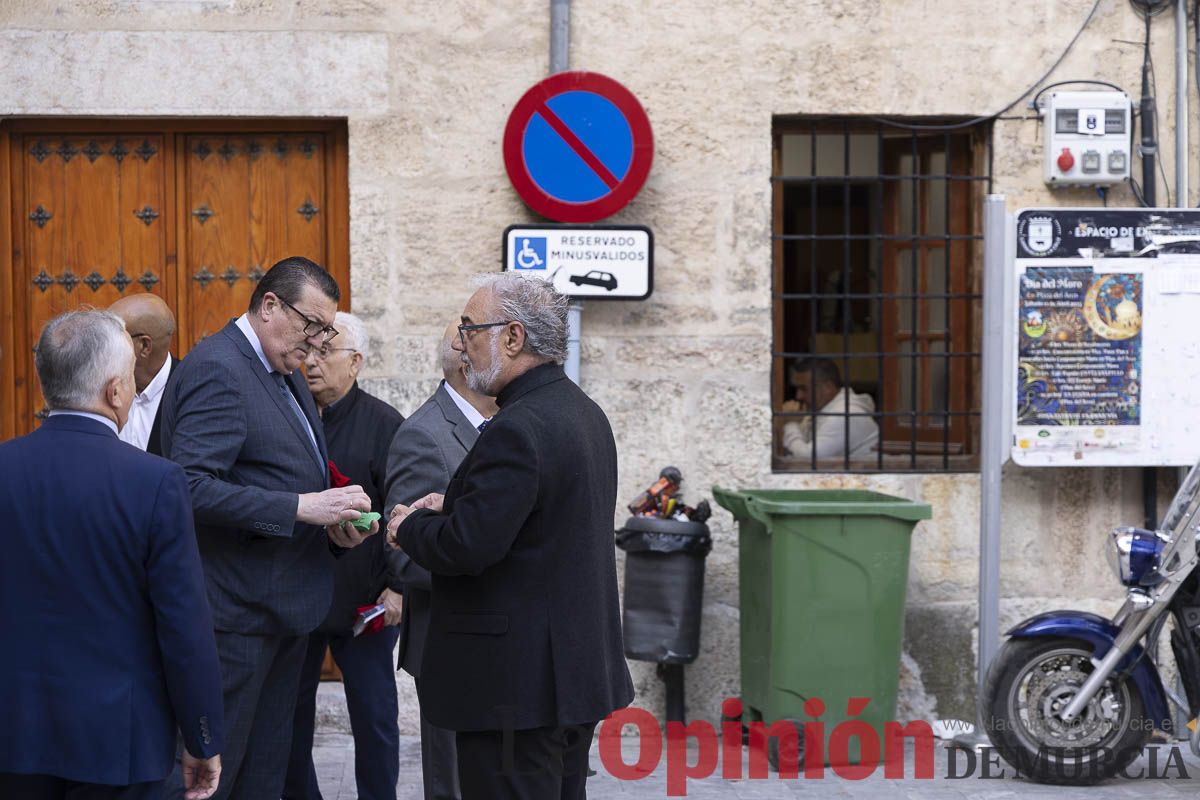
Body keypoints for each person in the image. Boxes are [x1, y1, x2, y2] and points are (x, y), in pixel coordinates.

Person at [388, 274, 633, 799]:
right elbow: (536, 523)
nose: (462, 343)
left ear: (513, 338)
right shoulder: (581, 412)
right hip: (567, 675)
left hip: (515, 687)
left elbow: (466, 547)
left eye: (470, 328)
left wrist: (408, 526)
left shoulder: (517, 427)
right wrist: (450, 505)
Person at [160, 256, 379, 800]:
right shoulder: (220, 368)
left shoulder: (282, 370)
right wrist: (300, 508)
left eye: (327, 332)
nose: (317, 343)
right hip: (234, 622)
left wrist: (333, 529)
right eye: (311, 325)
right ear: (270, 306)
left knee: (263, 779)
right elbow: (185, 486)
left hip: (283, 616)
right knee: (211, 780)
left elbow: (282, 473)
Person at [0, 310, 223, 800]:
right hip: (117, 739)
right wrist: (202, 737)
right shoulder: (155, 481)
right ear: (115, 391)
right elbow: (183, 625)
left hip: (14, 730)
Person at [284, 312, 405, 800]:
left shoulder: (385, 424)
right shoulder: (290, 416)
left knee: (375, 718)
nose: (311, 363)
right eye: (307, 352)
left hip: (365, 600)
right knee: (292, 716)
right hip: (300, 596)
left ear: (354, 362)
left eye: (324, 353)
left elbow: (401, 511)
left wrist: (399, 585)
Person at [382, 324, 498, 800]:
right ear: (466, 356)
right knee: (454, 785)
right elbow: (404, 556)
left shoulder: (506, 423)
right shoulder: (424, 434)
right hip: (451, 646)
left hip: (501, 641)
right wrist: (485, 566)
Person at [109, 292, 178, 455]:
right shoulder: (98, 387)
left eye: (112, 337)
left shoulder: (191, 389)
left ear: (144, 346)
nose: (102, 344)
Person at [781, 356, 879, 459]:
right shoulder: (820, 411)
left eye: (804, 389)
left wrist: (790, 423)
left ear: (828, 387)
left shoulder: (845, 416)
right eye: (797, 389)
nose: (798, 396)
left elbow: (807, 459)